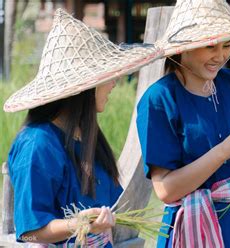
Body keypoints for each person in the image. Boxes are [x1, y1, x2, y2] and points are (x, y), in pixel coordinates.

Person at [4, 9, 161, 246]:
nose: (114, 83)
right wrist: (79, 224)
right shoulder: (37, 144)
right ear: (84, 87)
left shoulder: (87, 137)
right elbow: (30, 232)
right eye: (108, 76)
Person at [136, 0, 230, 247]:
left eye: (226, 45)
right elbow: (166, 190)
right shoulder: (159, 99)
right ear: (183, 47)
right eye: (209, 46)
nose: (220, 55)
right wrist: (224, 151)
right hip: (194, 231)